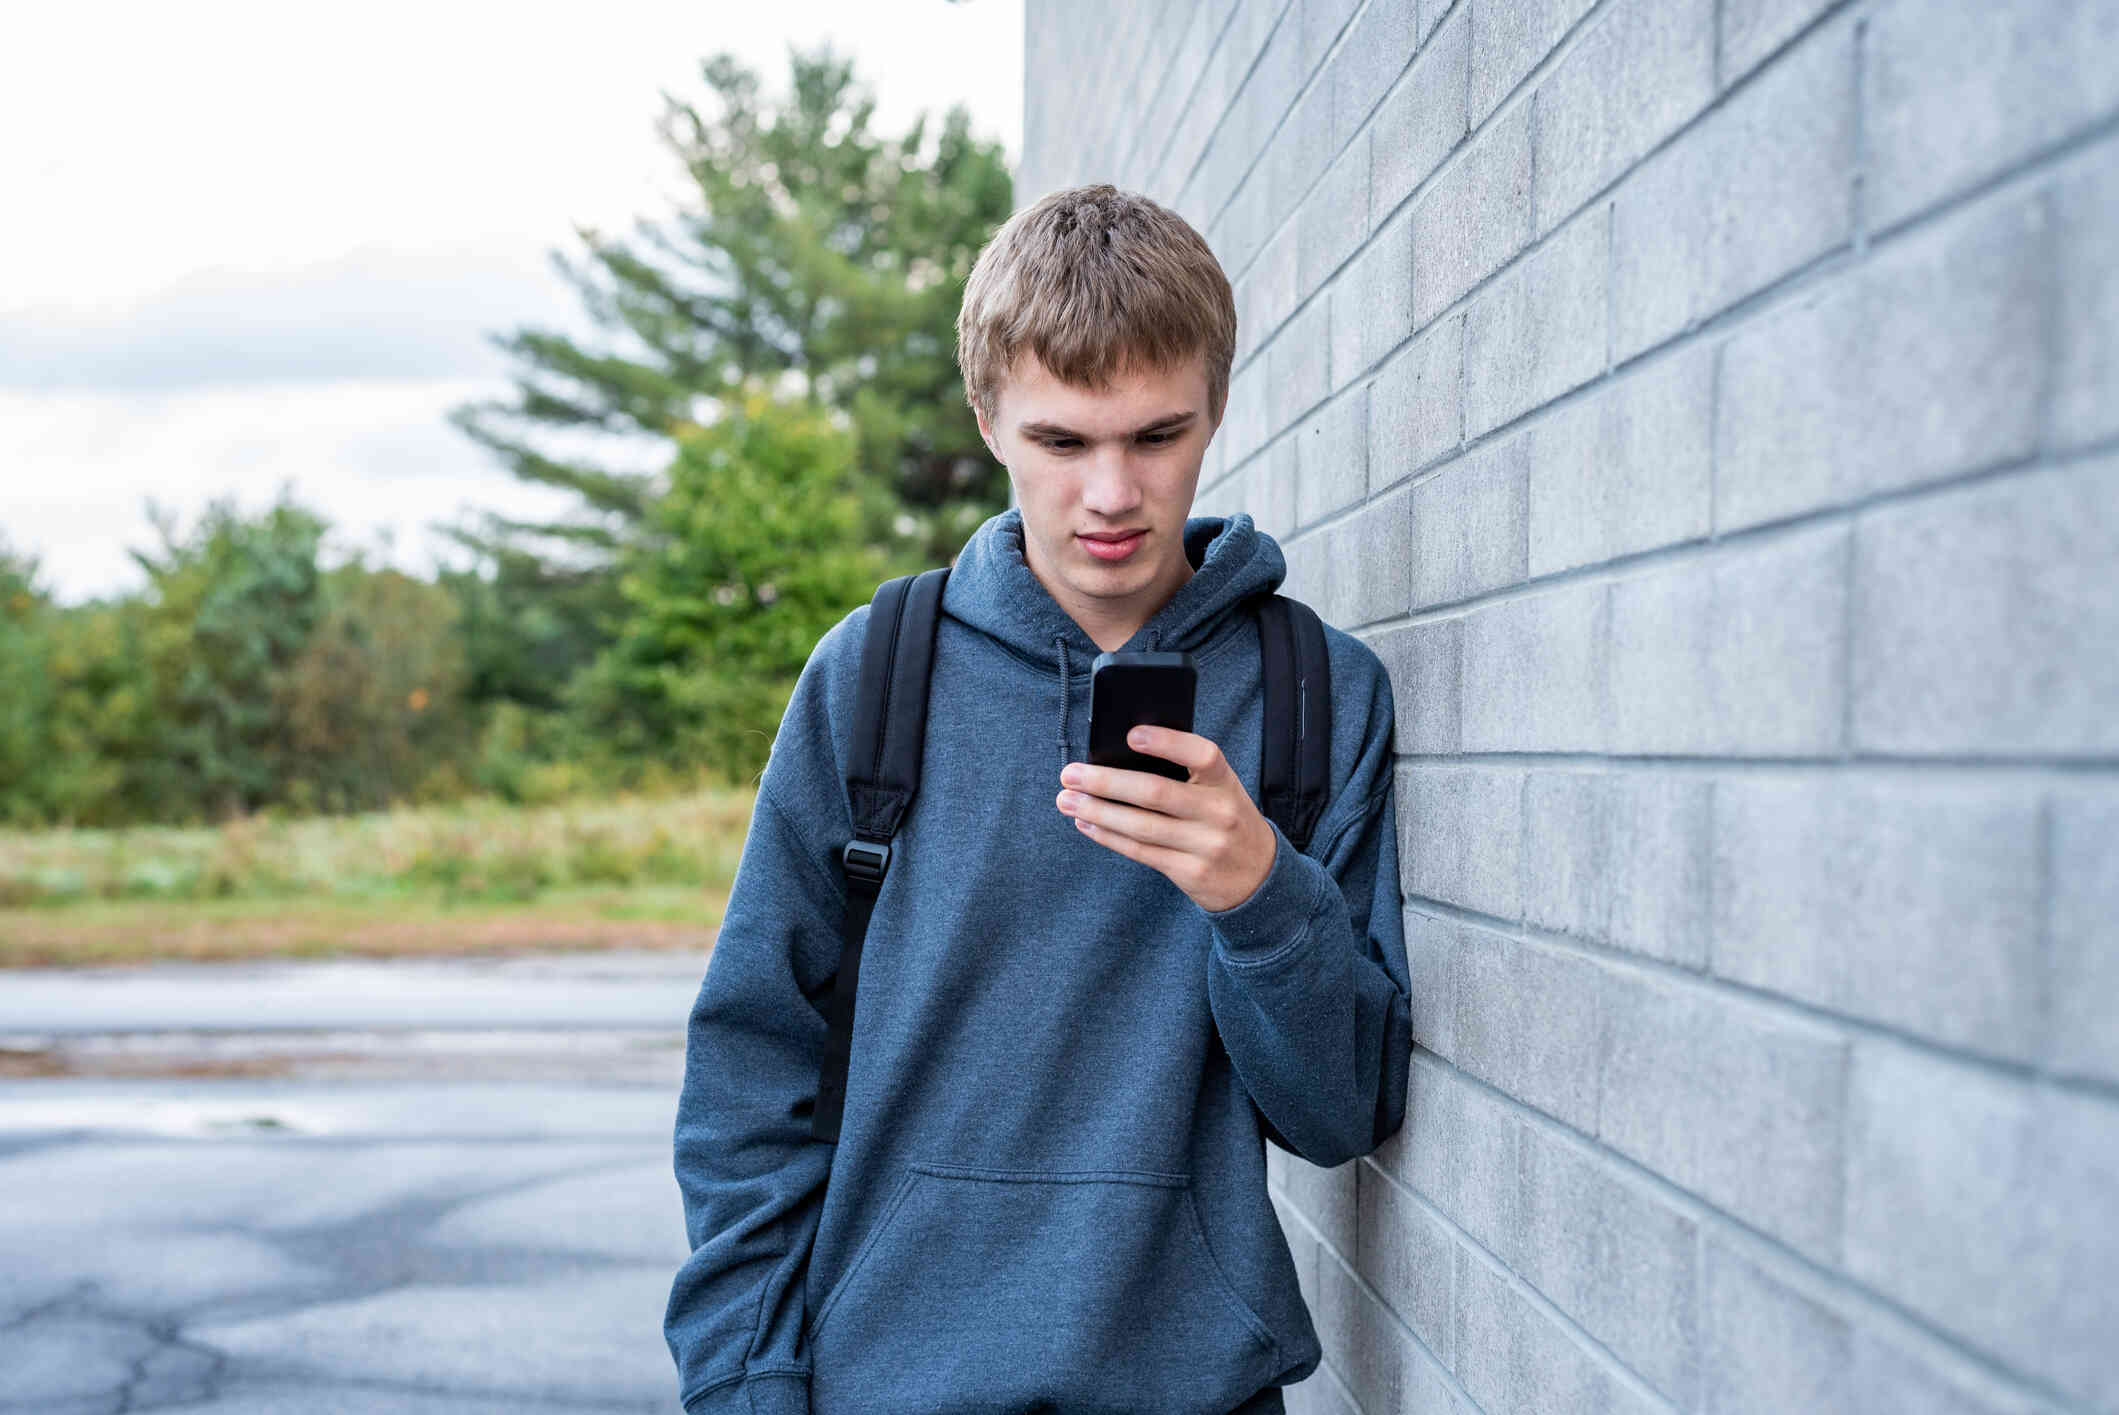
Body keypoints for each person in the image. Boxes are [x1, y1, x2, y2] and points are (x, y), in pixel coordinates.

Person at [663, 183, 1412, 1415]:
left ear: (1215, 408)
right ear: (989, 420)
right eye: (1063, 442)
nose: (1111, 494)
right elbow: (751, 1071)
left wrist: (1260, 898)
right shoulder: (874, 676)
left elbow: (1341, 1115)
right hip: (881, 1383)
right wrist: (746, 1382)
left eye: (1155, 435)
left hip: (1194, 1390)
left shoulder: (1315, 693)